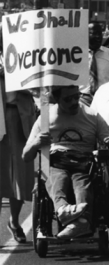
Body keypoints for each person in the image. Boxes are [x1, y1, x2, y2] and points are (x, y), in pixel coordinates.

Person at [22, 86, 109, 239]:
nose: (74, 101)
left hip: (83, 161)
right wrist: (36, 143)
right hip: (56, 160)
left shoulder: (92, 115)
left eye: (76, 96)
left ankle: (81, 221)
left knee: (81, 181)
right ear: (57, 99)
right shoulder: (45, 118)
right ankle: (63, 209)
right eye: (68, 99)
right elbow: (26, 156)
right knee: (56, 176)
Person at [0, 27, 36, 243]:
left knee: (19, 177)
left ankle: (14, 221)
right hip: (0, 118)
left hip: (18, 120)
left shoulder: (27, 58)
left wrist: (12, 75)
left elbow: (35, 88)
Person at [80, 22, 109, 106]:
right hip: (81, 100)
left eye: (100, 33)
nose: (98, 37)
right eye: (94, 33)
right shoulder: (75, 54)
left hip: (105, 100)